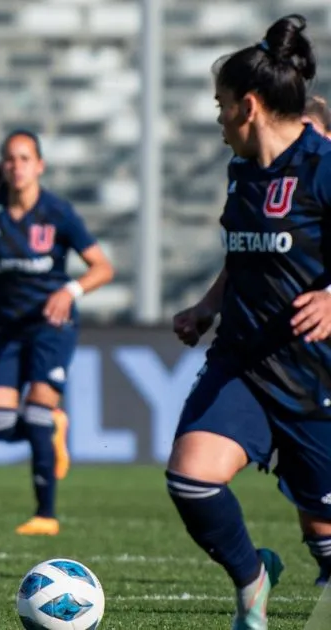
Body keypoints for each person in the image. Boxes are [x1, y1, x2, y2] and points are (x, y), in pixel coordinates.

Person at [168, 14, 331, 629]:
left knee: (326, 534)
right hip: (243, 359)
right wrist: (209, 305)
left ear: (251, 106)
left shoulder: (323, 166)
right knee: (191, 479)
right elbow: (245, 255)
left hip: (315, 375)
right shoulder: (243, 173)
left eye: (221, 104)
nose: (217, 118)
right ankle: (252, 580)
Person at [0, 130, 113, 537]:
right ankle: (53, 427)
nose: (17, 166)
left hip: (51, 327)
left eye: (25, 158)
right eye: (10, 159)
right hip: (6, 328)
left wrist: (71, 289)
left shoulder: (57, 212)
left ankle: (45, 514)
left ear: (40, 166)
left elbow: (102, 267)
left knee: (36, 412)